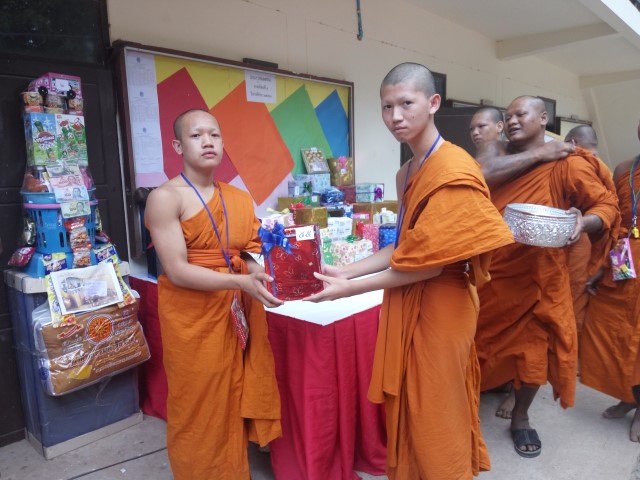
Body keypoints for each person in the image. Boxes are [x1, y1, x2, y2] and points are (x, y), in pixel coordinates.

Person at [305, 62, 514, 479]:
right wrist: (345, 270)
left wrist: (348, 289)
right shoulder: (406, 173)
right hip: (407, 293)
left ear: (433, 102)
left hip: (444, 304)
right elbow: (405, 247)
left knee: (436, 406)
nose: (395, 116)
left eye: (406, 103)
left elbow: (429, 267)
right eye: (387, 107)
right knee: (410, 405)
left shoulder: (454, 169)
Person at [474, 95, 620, 458]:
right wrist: (541, 153)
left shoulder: (568, 162)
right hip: (491, 273)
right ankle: (470, 400)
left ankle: (521, 416)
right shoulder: (497, 151)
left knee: (534, 351)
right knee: (476, 345)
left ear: (543, 118)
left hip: (540, 277)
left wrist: (584, 222)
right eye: (508, 116)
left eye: (520, 114)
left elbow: (605, 206)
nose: (512, 121)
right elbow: (481, 174)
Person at [144, 109, 283, 479]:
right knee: (198, 405)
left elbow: (247, 249)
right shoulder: (165, 198)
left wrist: (256, 272)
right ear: (178, 146)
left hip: (234, 311)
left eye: (214, 135)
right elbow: (177, 269)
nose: (208, 142)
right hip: (192, 318)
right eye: (196, 135)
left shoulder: (238, 197)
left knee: (233, 393)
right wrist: (240, 283)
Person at [580, 120, 640, 442]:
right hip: (625, 258)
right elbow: (617, 220)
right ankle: (628, 396)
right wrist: (603, 267)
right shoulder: (625, 169)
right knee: (611, 330)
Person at [563, 125, 615, 338]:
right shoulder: (606, 168)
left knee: (570, 299)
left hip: (576, 239)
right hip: (597, 240)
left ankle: (568, 350)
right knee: (578, 300)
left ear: (572, 143)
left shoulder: (574, 163)